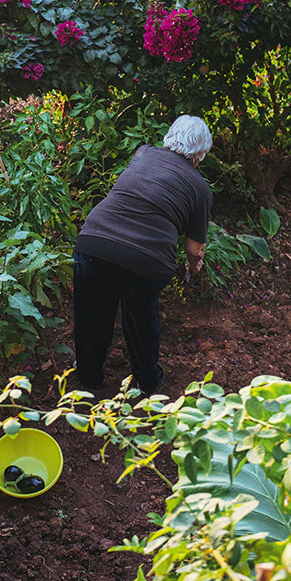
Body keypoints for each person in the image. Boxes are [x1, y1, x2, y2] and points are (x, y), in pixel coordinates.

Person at [72, 114, 212, 395]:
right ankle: (148, 382)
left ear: (169, 137)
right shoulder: (200, 187)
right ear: (201, 153)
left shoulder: (144, 153)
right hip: (146, 262)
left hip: (94, 244)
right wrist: (195, 265)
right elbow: (194, 247)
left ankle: (89, 378)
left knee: (92, 315)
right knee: (140, 321)